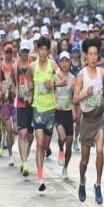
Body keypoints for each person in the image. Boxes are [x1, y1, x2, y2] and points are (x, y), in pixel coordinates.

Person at [73, 38, 104, 204]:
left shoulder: (102, 73)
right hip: (86, 120)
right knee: (84, 161)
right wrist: (85, 94)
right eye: (90, 54)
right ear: (86, 56)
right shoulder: (81, 75)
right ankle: (82, 181)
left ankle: (98, 184)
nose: (93, 57)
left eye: (96, 54)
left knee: (100, 152)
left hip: (98, 118)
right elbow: (75, 99)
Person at [27, 36, 58, 192]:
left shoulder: (52, 65)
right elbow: (27, 80)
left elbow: (62, 78)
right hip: (37, 109)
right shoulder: (32, 66)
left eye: (46, 49)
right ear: (37, 50)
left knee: (45, 145)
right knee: (39, 143)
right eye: (41, 49)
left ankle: (46, 150)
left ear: (48, 51)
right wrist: (29, 92)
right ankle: (40, 178)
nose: (43, 52)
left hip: (50, 110)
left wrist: (53, 83)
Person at [0, 41, 17, 166]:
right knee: (9, 129)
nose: (9, 54)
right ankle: (10, 155)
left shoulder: (16, 65)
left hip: (15, 100)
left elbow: (20, 80)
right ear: (4, 52)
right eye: (7, 52)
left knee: (15, 130)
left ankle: (10, 145)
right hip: (5, 102)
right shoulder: (0, 66)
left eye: (11, 51)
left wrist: (15, 90)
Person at [14, 40, 34, 177]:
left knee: (30, 136)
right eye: (23, 51)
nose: (25, 54)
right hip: (21, 104)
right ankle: (24, 162)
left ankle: (24, 156)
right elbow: (11, 82)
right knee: (23, 134)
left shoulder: (33, 65)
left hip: (32, 104)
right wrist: (15, 90)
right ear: (19, 52)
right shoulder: (15, 66)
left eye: (27, 51)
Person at [55, 51, 75, 179]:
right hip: (58, 111)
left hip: (68, 112)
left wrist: (75, 111)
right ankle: (60, 149)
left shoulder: (73, 78)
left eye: (66, 61)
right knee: (62, 137)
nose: (64, 63)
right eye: (62, 61)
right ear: (59, 62)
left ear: (69, 62)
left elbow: (74, 98)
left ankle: (65, 168)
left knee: (69, 143)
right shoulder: (55, 75)